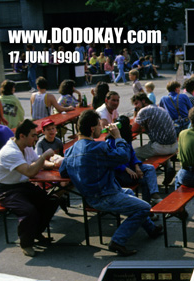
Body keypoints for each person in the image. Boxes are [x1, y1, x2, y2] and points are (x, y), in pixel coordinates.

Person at [60, 110, 163, 256]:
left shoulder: (70, 151)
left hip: (90, 197)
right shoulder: (98, 148)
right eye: (98, 125)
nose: (100, 128)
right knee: (144, 207)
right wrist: (118, 137)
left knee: (128, 192)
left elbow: (64, 172)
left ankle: (151, 229)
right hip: (105, 195)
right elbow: (123, 156)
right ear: (92, 129)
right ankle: (118, 241)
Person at [0, 119, 62, 257]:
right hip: (6, 190)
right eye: (33, 135)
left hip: (22, 186)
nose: (36, 138)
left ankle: (35, 233)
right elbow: (30, 171)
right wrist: (44, 156)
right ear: (22, 136)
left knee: (52, 200)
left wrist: (55, 165)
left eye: (36, 135)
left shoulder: (27, 147)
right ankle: (26, 243)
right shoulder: (10, 152)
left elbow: (37, 163)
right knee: (28, 211)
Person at [107, 115, 163, 206]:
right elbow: (111, 161)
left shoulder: (126, 138)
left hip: (130, 166)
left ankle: (154, 194)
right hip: (119, 172)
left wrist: (137, 166)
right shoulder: (110, 141)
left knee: (149, 168)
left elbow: (132, 153)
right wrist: (126, 169)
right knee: (143, 180)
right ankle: (146, 206)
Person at [131, 93, 178, 187]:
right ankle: (169, 168)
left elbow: (134, 129)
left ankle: (143, 179)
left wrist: (136, 112)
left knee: (134, 154)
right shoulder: (159, 108)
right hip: (174, 146)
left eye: (137, 103)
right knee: (153, 144)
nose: (136, 106)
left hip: (161, 147)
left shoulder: (144, 111)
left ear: (143, 101)